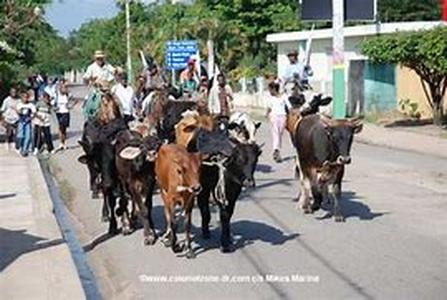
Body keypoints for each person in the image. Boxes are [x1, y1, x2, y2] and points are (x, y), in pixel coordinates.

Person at [82, 50, 116, 120]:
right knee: (90, 104)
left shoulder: (108, 66)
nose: (100, 60)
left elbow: (114, 71)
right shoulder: (91, 67)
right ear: (95, 59)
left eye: (101, 58)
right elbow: (86, 78)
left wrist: (117, 71)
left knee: (118, 102)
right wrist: (92, 80)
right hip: (96, 90)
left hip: (107, 89)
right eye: (98, 58)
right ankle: (90, 118)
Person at [265, 81, 290, 163]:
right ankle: (276, 150)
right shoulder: (271, 98)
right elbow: (269, 108)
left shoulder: (284, 97)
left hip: (283, 117)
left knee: (279, 134)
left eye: (271, 90)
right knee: (276, 133)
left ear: (275, 89)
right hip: (274, 116)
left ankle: (277, 150)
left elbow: (289, 106)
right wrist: (267, 114)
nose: (270, 92)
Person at [54, 82, 73, 150]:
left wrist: (70, 106)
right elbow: (53, 103)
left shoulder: (67, 95)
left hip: (66, 112)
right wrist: (55, 108)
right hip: (59, 112)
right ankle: (60, 143)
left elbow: (73, 100)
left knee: (64, 128)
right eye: (63, 88)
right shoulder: (57, 95)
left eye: (65, 88)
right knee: (60, 127)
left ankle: (63, 143)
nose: (64, 89)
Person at [16, 90, 36, 157]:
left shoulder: (31, 105)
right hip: (21, 122)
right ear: (21, 98)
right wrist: (20, 113)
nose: (25, 99)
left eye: (26, 97)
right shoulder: (19, 104)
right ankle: (20, 146)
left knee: (28, 136)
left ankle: (25, 150)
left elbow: (34, 113)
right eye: (24, 97)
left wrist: (30, 118)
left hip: (28, 122)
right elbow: (18, 111)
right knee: (20, 135)